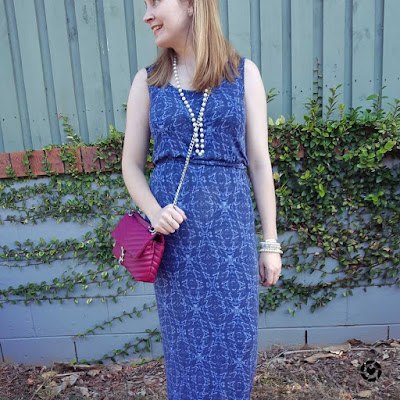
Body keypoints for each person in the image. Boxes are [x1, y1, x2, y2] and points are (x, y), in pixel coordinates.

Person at [121, 0, 282, 398]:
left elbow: (260, 164)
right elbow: (130, 165)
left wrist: (271, 243)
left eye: (155, 2)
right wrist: (155, 212)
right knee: (186, 353)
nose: (147, 15)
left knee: (235, 344)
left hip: (230, 247)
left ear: (192, 4)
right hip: (178, 251)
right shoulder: (148, 82)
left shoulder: (244, 74)